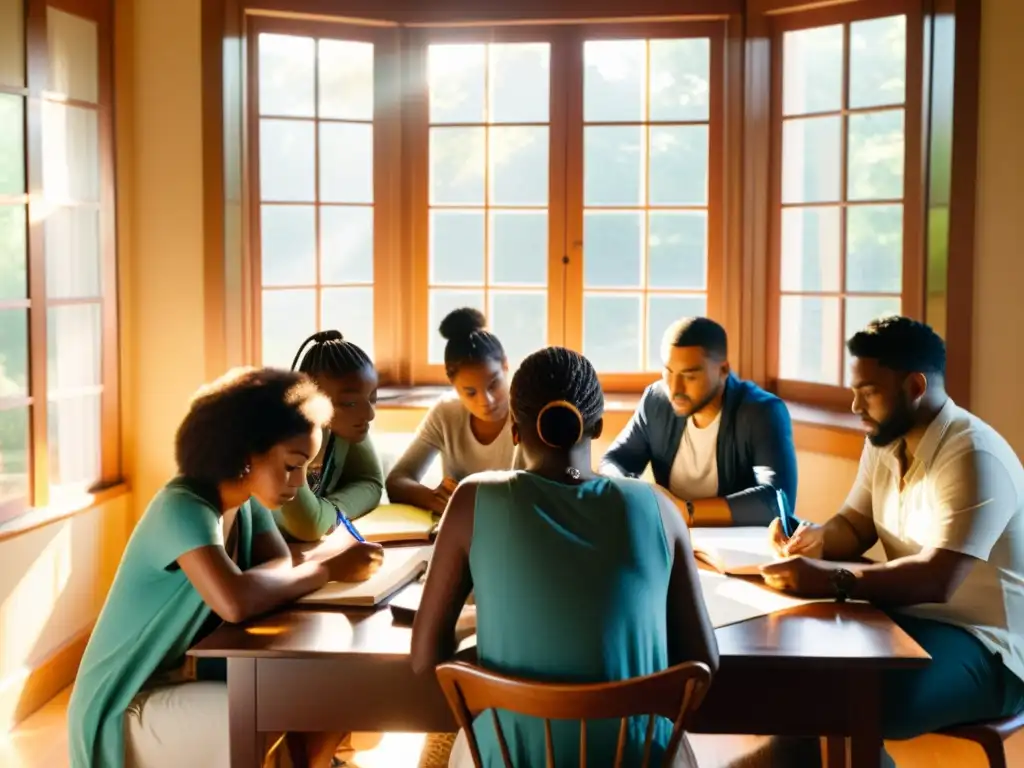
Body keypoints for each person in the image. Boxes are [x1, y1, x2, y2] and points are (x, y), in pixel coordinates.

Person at [411, 346, 719, 767]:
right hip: (639, 759)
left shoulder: (472, 501)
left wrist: (485, 657)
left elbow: (424, 658)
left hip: (512, 757)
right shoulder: (659, 508)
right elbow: (704, 662)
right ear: (598, 425)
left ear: (514, 431)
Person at [67, 368, 384, 768]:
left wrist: (274, 579)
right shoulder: (182, 508)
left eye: (306, 468)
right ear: (243, 454)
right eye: (291, 466)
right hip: (127, 699)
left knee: (322, 690)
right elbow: (233, 602)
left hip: (183, 676)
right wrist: (329, 569)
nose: (298, 483)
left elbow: (278, 562)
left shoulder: (245, 501)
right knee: (256, 718)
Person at [763, 316, 1024, 767]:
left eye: (868, 393)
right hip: (909, 620)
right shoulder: (884, 441)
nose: (853, 406)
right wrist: (814, 539)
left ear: (915, 386)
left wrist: (832, 580)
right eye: (853, 391)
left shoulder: (973, 455)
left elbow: (936, 581)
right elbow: (854, 524)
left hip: (991, 648)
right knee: (800, 672)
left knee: (866, 701)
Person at [601, 317, 799, 533]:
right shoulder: (656, 400)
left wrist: (686, 511)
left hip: (738, 547)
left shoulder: (761, 411)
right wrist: (634, 493)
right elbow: (615, 460)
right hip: (671, 537)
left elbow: (777, 501)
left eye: (689, 376)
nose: (675, 388)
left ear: (723, 370)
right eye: (668, 372)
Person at [386, 308, 522, 514]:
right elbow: (397, 481)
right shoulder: (446, 413)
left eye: (493, 385)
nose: (486, 401)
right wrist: (434, 499)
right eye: (470, 392)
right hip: (458, 533)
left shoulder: (528, 413)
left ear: (505, 366)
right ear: (453, 384)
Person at [275, 330, 384, 542]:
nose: (369, 414)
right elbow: (309, 525)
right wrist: (326, 516)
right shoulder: (280, 438)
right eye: (350, 403)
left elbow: (371, 482)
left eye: (372, 398)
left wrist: (331, 509)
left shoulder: (346, 425)